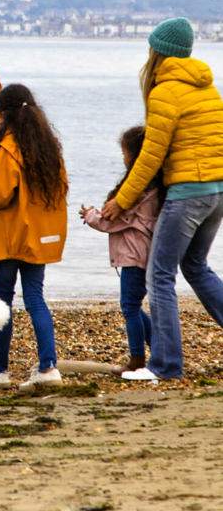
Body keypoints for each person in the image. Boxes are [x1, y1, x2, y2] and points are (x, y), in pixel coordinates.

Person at [101, 17, 223, 381]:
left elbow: (150, 157)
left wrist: (121, 201)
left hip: (188, 193)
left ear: (157, 52)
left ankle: (166, 365)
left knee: (160, 277)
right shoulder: (207, 88)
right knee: (196, 267)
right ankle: (166, 362)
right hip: (218, 191)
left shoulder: (165, 92)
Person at [0, 83, 68, 390]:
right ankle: (48, 367)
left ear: (4, 115)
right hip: (40, 236)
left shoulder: (8, 149)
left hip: (10, 237)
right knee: (35, 299)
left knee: (2, 302)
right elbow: (61, 190)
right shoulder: (48, 148)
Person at [80, 126, 164, 375]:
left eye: (125, 153)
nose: (123, 159)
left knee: (129, 306)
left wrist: (89, 215)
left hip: (133, 254)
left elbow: (111, 220)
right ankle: (158, 349)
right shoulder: (156, 186)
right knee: (134, 305)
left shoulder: (135, 189)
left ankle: (137, 358)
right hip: (148, 252)